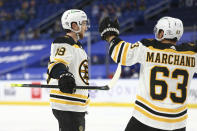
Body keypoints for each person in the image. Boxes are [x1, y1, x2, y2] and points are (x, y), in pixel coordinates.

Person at [99, 16, 197, 131]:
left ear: (162, 33)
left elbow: (120, 54)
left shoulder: (148, 47)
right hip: (177, 124)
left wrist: (111, 36)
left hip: (145, 119)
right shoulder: (192, 53)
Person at [47, 9, 90, 131]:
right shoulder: (64, 42)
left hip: (74, 105)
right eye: (84, 23)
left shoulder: (77, 46)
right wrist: (63, 75)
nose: (86, 27)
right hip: (67, 105)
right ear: (74, 25)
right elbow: (56, 64)